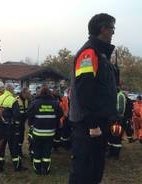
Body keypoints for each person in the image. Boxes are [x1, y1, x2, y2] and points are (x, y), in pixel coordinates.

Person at [69, 13, 117, 184]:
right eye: (112, 28)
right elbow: (84, 89)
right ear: (103, 29)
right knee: (84, 172)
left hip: (99, 123)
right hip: (89, 126)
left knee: (95, 172)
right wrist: (92, 124)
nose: (113, 32)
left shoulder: (102, 55)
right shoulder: (89, 53)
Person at [27, 85, 63, 175]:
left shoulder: (35, 103)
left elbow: (29, 115)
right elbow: (61, 114)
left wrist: (32, 123)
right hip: (50, 133)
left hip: (37, 133)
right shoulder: (55, 103)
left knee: (37, 151)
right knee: (47, 152)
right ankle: (45, 170)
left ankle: (37, 170)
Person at [0, 83, 23, 172]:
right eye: (13, 89)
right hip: (10, 127)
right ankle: (17, 166)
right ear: (11, 90)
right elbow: (17, 115)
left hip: (0, 126)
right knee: (13, 146)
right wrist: (17, 126)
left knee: (1, 147)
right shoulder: (13, 100)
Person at [16, 87, 30, 157]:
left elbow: (26, 111)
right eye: (27, 93)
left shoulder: (26, 100)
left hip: (22, 122)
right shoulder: (17, 100)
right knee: (17, 138)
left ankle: (19, 151)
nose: (28, 95)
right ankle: (17, 152)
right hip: (17, 123)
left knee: (21, 137)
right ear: (23, 93)